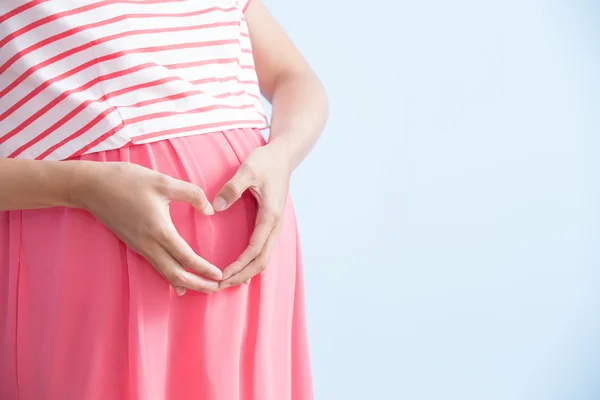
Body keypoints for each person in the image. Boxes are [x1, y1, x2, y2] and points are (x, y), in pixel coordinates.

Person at [0, 0, 327, 399]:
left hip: (253, 261)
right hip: (86, 247)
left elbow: (295, 77)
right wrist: (80, 185)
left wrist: (283, 155)